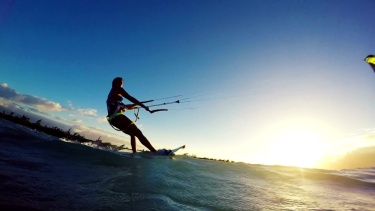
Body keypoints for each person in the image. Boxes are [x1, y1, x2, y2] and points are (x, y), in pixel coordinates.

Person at [106, 77, 157, 153]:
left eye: (122, 83)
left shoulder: (114, 96)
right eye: (119, 82)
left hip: (112, 119)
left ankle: (134, 153)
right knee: (138, 133)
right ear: (114, 83)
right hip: (117, 117)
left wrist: (136, 105)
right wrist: (143, 106)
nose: (121, 84)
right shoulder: (117, 89)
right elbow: (130, 98)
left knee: (132, 134)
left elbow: (125, 107)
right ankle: (154, 152)